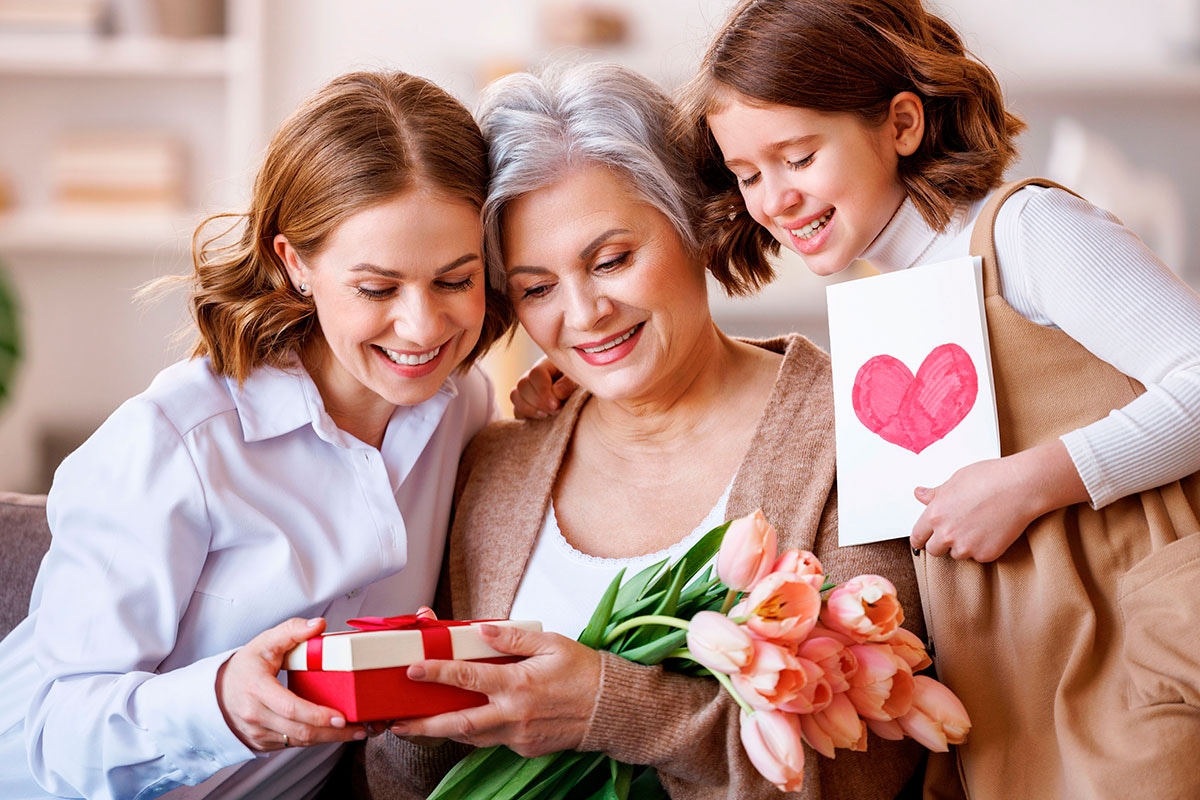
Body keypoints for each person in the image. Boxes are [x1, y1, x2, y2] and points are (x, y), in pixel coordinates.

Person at [650, 1, 1200, 797]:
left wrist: (1032, 481)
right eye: (747, 174)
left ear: (902, 123)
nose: (773, 200)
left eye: (798, 157)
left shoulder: (1026, 231)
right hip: (1010, 685)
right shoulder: (894, 306)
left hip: (1128, 653)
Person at [360, 61, 927, 800]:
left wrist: (609, 707)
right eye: (536, 288)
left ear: (695, 221)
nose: (585, 312)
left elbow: (870, 767)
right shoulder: (495, 466)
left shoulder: (859, 431)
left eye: (613, 260)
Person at [0, 69, 512, 800]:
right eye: (377, 288)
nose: (423, 327)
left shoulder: (461, 406)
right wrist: (221, 702)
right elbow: (57, 733)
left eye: (455, 280)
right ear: (295, 263)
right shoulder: (178, 443)